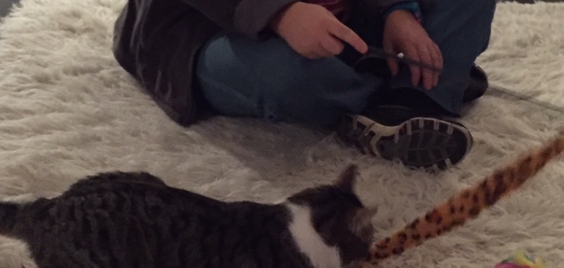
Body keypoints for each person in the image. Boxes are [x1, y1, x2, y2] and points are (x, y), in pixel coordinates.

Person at [112, 0, 496, 170]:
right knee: (290, 77)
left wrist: (397, 10)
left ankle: (409, 101)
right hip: (206, 29)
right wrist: (279, 13)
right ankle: (404, 84)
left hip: (343, 18)